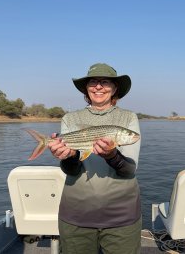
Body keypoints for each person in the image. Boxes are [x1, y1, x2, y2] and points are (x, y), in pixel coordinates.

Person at [48, 63, 141, 254]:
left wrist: (112, 155)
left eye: (105, 82)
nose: (98, 87)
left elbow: (129, 170)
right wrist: (70, 155)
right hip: (76, 213)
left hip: (121, 215)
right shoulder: (70, 119)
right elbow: (71, 170)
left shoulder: (128, 117)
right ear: (86, 88)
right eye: (93, 82)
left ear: (115, 88)